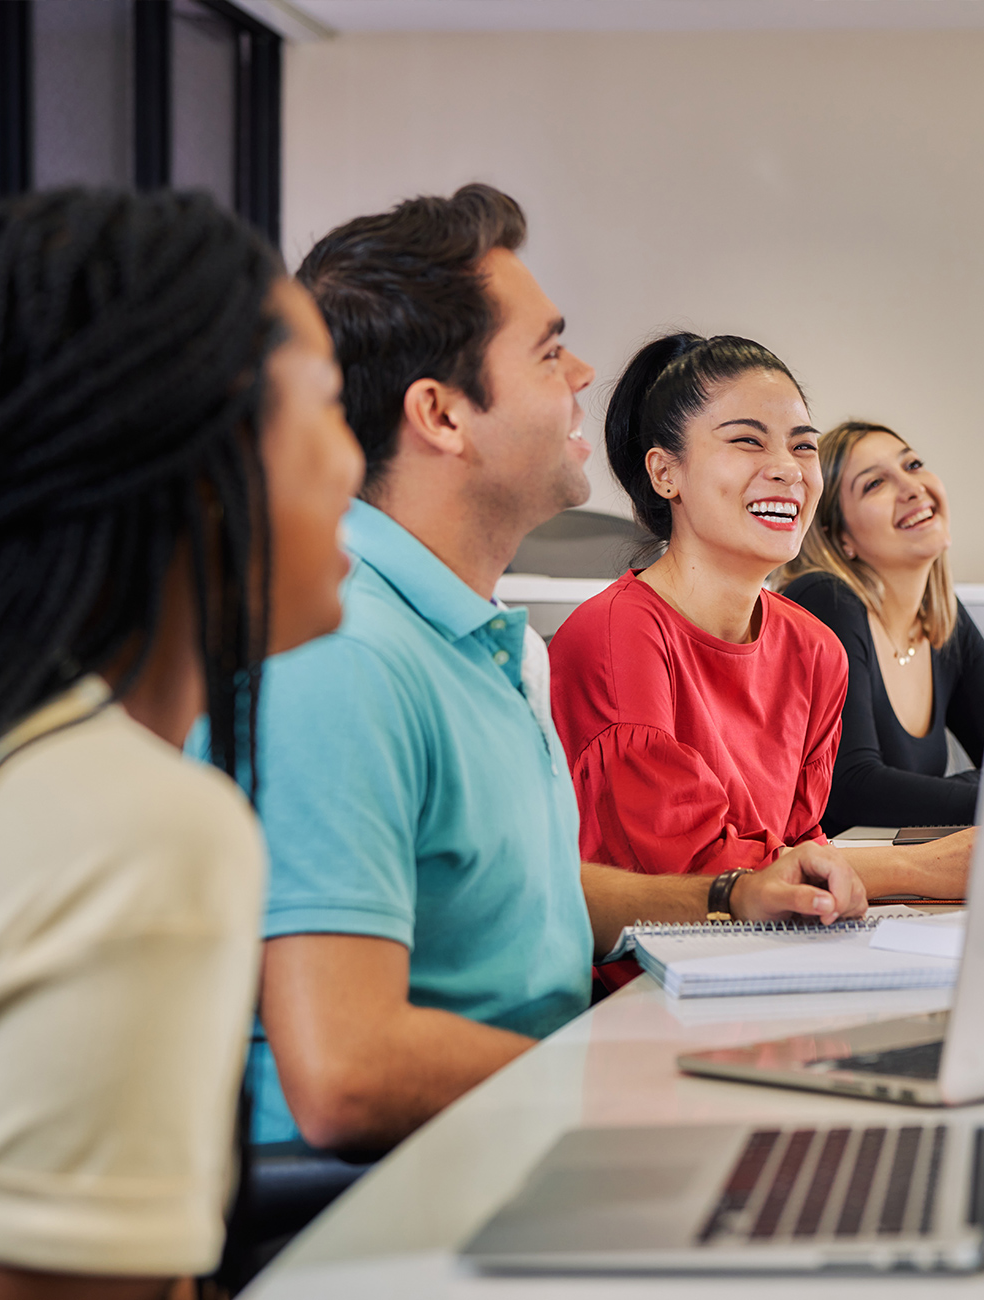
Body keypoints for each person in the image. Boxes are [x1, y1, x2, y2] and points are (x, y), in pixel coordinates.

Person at [239, 187, 864, 1159]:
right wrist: (638, 1083)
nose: (581, 372)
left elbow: (531, 895)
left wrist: (728, 893)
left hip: (529, 1124)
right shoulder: (346, 655)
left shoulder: (490, 640)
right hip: (408, 1182)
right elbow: (346, 1072)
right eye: (547, 350)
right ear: (441, 415)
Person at [0, 189, 362, 1297]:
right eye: (327, 409)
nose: (353, 466)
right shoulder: (133, 826)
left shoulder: (8, 760)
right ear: (205, 447)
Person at [549, 337, 973, 908]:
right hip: (646, 979)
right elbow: (687, 874)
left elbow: (796, 850)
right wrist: (916, 867)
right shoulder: (617, 636)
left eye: (803, 447)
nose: (786, 470)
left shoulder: (814, 649)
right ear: (665, 472)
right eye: (747, 441)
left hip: (768, 958)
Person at [778, 421, 984, 834]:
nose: (912, 488)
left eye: (913, 464)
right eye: (875, 484)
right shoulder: (826, 600)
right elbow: (853, 791)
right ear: (840, 539)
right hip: (830, 885)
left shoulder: (942, 618)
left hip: (904, 886)